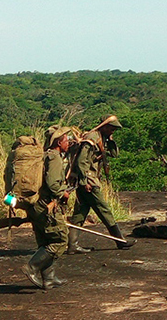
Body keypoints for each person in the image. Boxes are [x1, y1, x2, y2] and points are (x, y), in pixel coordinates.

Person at [67, 115, 135, 253]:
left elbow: (114, 154)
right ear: (104, 126)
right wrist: (84, 181)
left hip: (87, 181)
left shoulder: (102, 138)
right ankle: (120, 241)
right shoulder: (92, 138)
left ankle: (72, 245)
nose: (112, 131)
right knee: (104, 210)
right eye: (111, 128)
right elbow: (81, 161)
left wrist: (110, 140)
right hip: (89, 181)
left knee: (80, 213)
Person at [23, 126, 76, 289]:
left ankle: (49, 278)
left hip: (35, 205)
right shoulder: (54, 158)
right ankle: (32, 267)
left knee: (45, 241)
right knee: (60, 240)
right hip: (46, 205)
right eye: (66, 140)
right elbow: (53, 185)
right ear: (59, 142)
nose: (69, 142)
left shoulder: (44, 156)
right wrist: (63, 193)